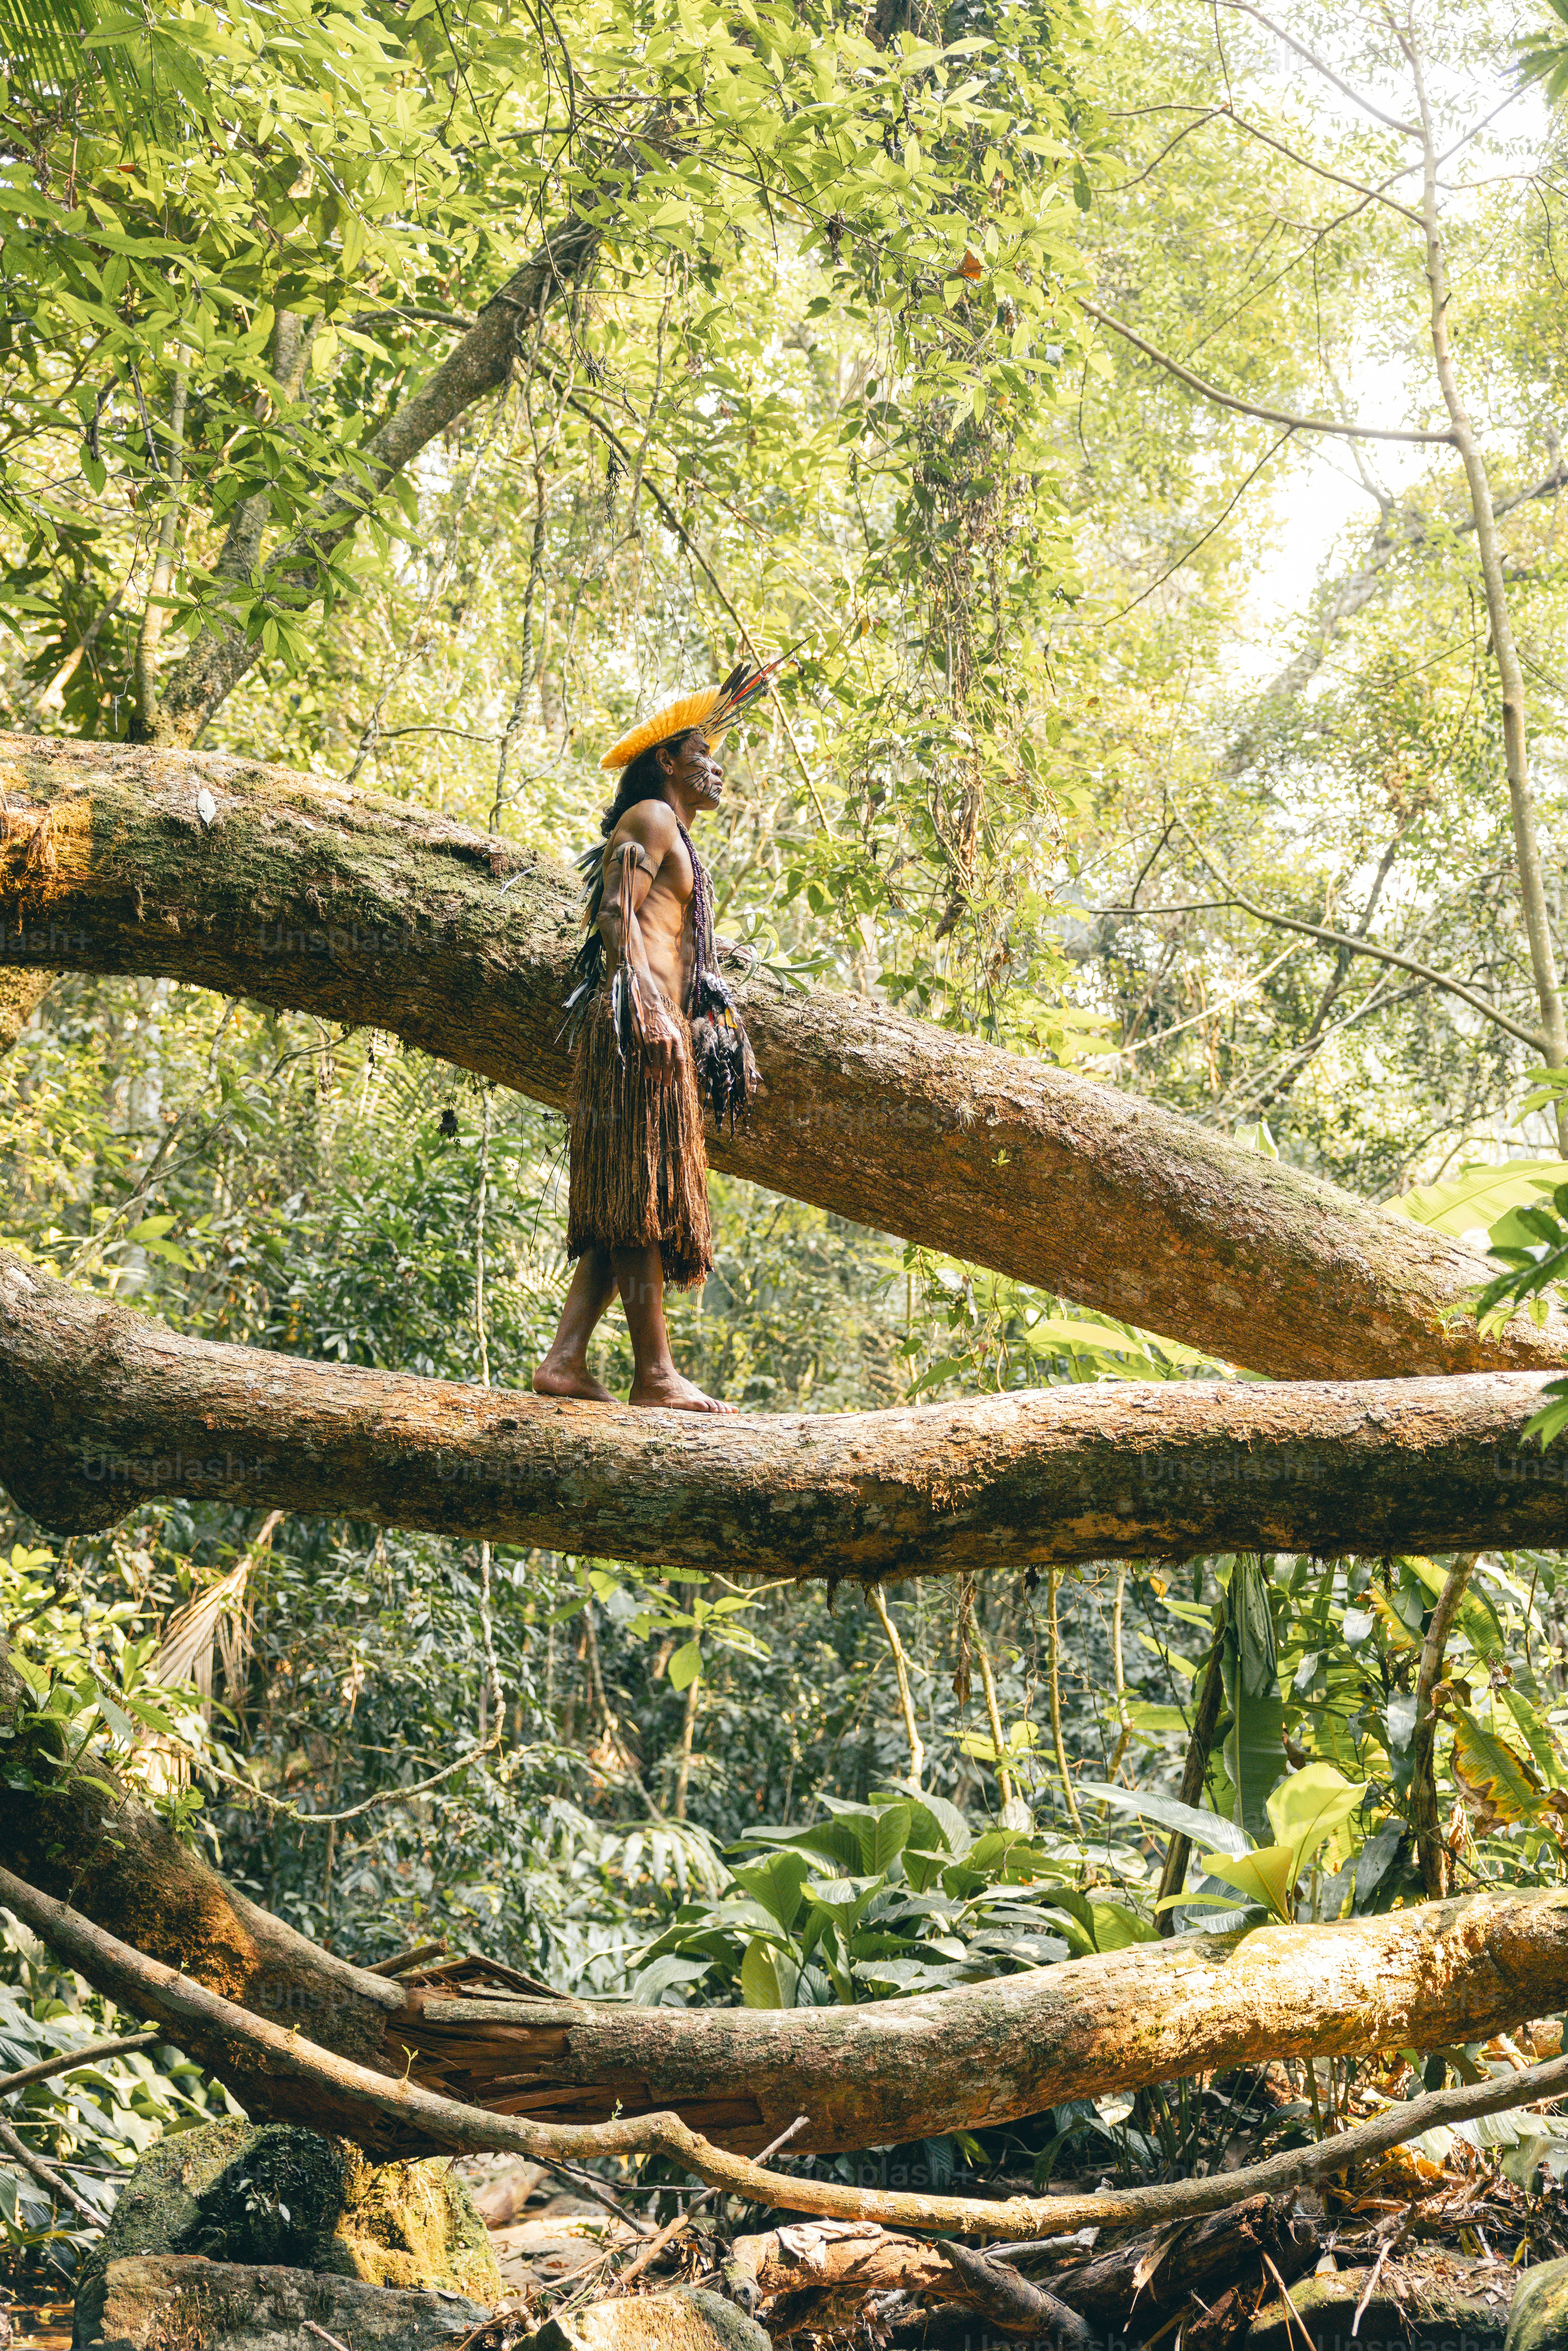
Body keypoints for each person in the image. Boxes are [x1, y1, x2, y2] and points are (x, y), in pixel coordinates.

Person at [532, 666, 766, 1412]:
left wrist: (702, 1011)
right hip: (635, 1029)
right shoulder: (651, 820)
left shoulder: (674, 835)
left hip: (655, 1027)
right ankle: (655, 1375)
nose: (716, 764)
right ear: (667, 760)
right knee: (640, 1199)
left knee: (630, 1200)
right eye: (703, 750)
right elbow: (613, 916)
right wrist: (648, 1006)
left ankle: (565, 1361)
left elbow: (671, 933)